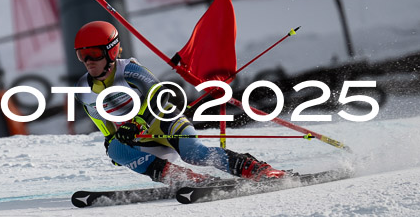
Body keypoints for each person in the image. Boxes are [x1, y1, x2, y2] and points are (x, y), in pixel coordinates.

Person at [73, 20, 289, 187]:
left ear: (111, 51)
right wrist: (111, 139)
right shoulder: (83, 89)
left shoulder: (129, 70)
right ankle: (183, 178)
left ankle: (257, 169)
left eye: (94, 54)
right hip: (143, 139)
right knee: (115, 149)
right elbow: (99, 118)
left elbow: (160, 95)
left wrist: (138, 122)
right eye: (82, 55)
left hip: (164, 122)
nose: (88, 61)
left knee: (194, 154)